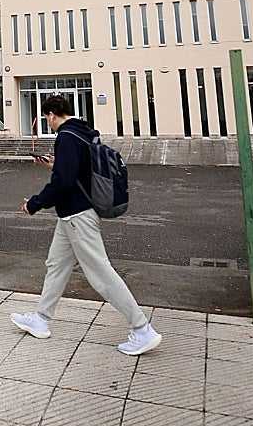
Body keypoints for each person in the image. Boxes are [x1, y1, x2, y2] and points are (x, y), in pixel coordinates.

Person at [11, 93, 161, 356]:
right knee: (56, 265)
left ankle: (141, 329)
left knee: (100, 273)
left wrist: (34, 203)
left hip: (78, 215)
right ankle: (41, 319)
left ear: (51, 115)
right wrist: (55, 166)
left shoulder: (67, 137)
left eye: (48, 120)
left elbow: (63, 183)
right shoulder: (83, 132)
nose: (50, 125)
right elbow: (75, 172)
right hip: (70, 215)